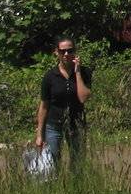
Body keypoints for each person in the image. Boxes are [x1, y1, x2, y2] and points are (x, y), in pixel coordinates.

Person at [35, 37, 92, 170]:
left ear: (75, 51)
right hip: (54, 125)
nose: (66, 54)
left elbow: (83, 98)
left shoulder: (84, 72)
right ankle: (56, 188)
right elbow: (44, 106)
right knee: (52, 162)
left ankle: (76, 188)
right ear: (56, 52)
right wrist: (39, 134)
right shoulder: (50, 76)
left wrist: (77, 73)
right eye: (63, 51)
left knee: (77, 162)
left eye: (70, 50)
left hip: (76, 124)